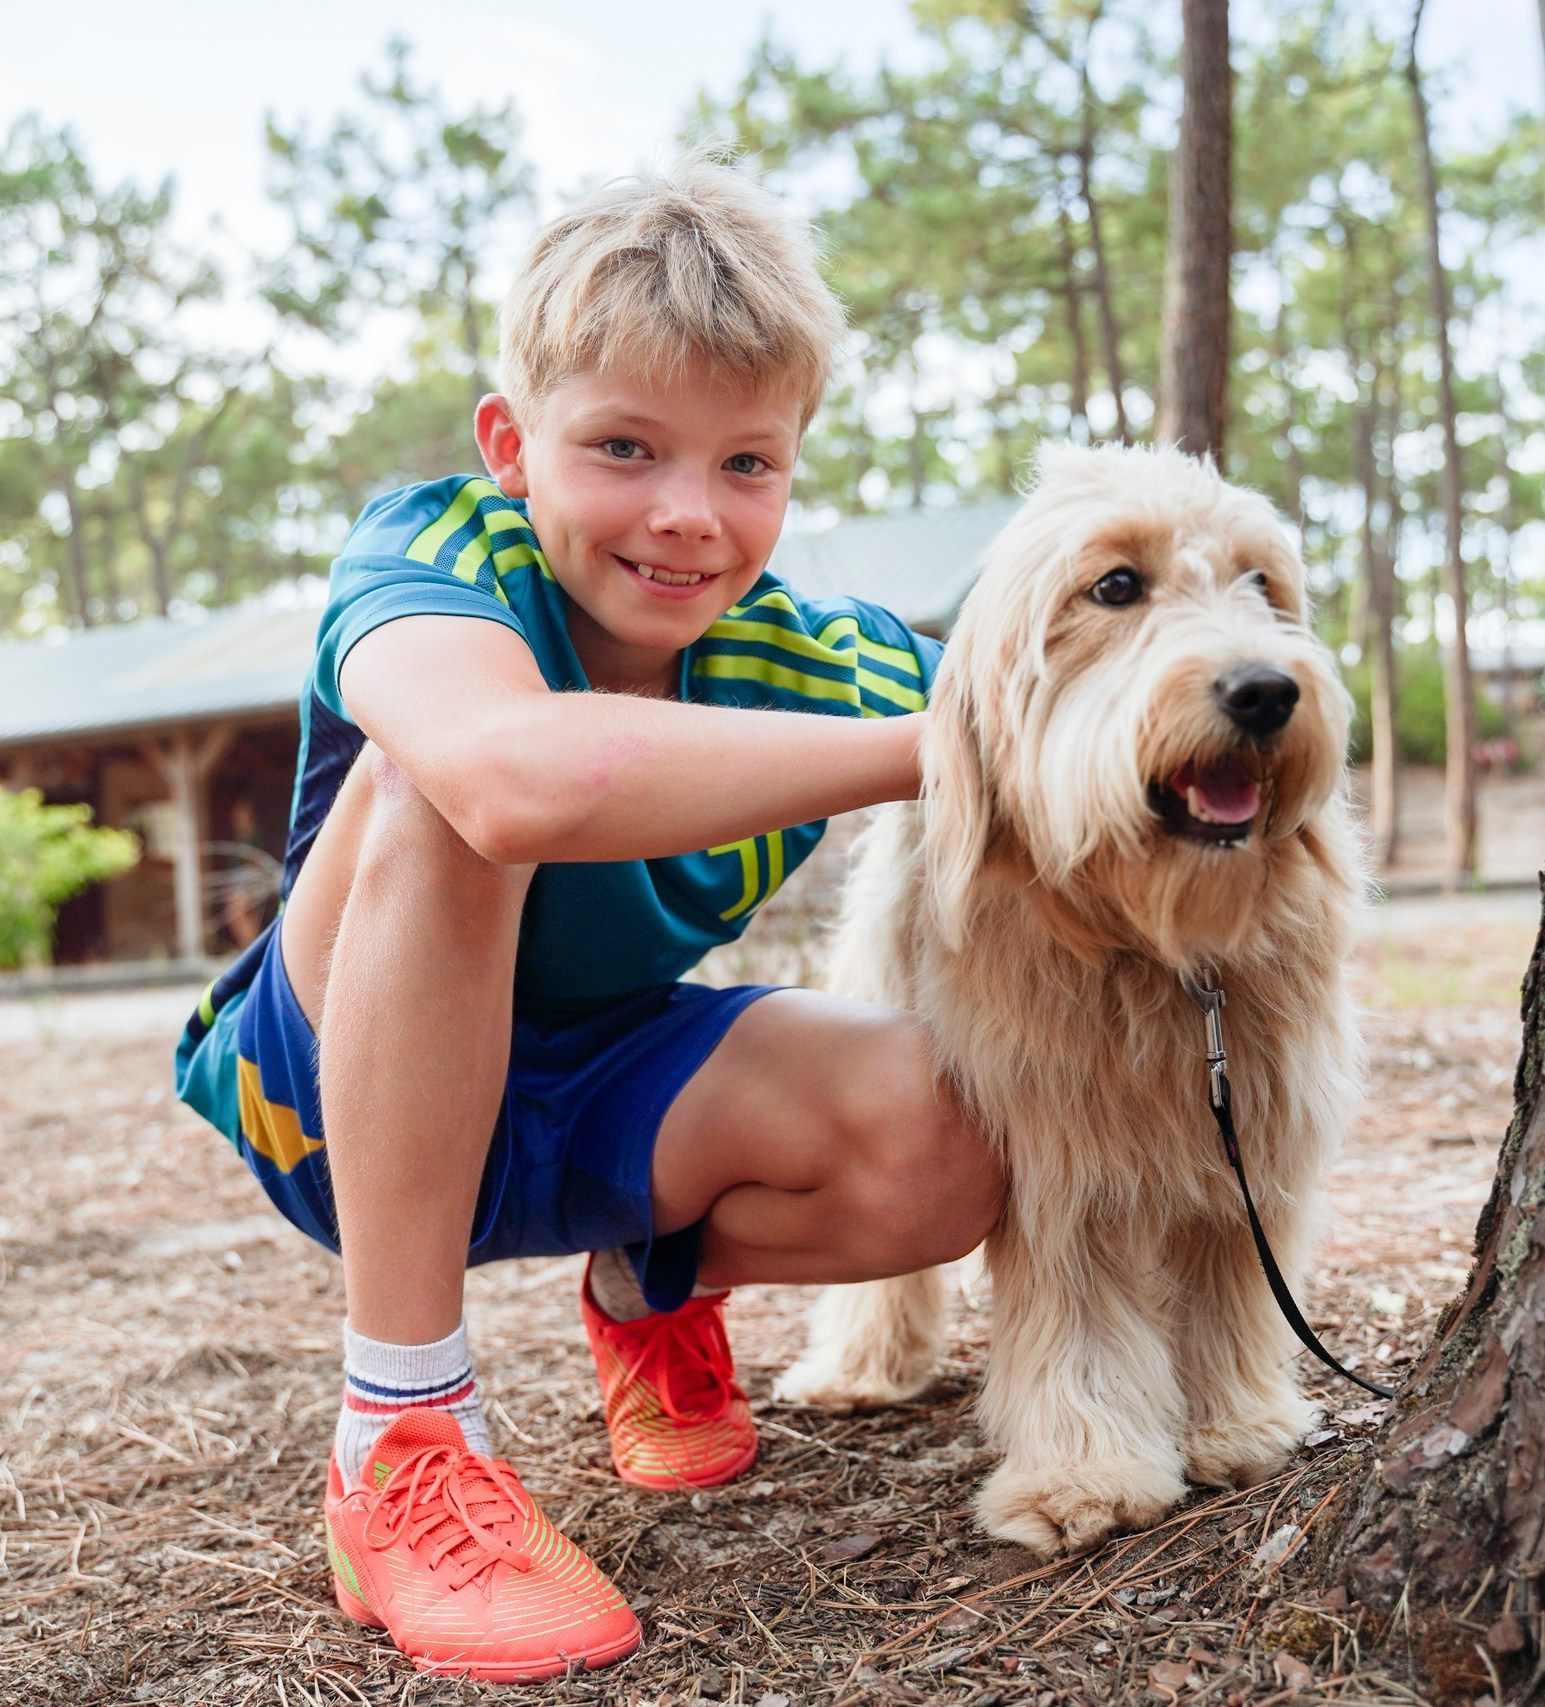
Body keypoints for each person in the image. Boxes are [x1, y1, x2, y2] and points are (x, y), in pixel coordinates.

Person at [173, 157, 1003, 1682]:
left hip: (601, 1088)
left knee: (955, 1135)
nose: (688, 517)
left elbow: (1081, 714)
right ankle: (404, 1441)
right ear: (512, 445)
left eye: (748, 464)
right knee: (450, 782)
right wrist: (956, 745)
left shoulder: (822, 657)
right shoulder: (437, 557)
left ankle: (646, 1277)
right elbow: (511, 779)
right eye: (625, 447)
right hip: (328, 1101)